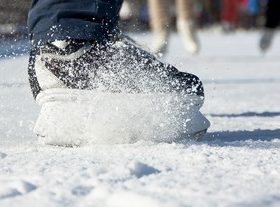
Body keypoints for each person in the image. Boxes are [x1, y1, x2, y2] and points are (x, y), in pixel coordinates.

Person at [27, 0, 208, 144]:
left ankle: (63, 44)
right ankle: (73, 39)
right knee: (72, 31)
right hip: (77, 53)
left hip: (56, 55)